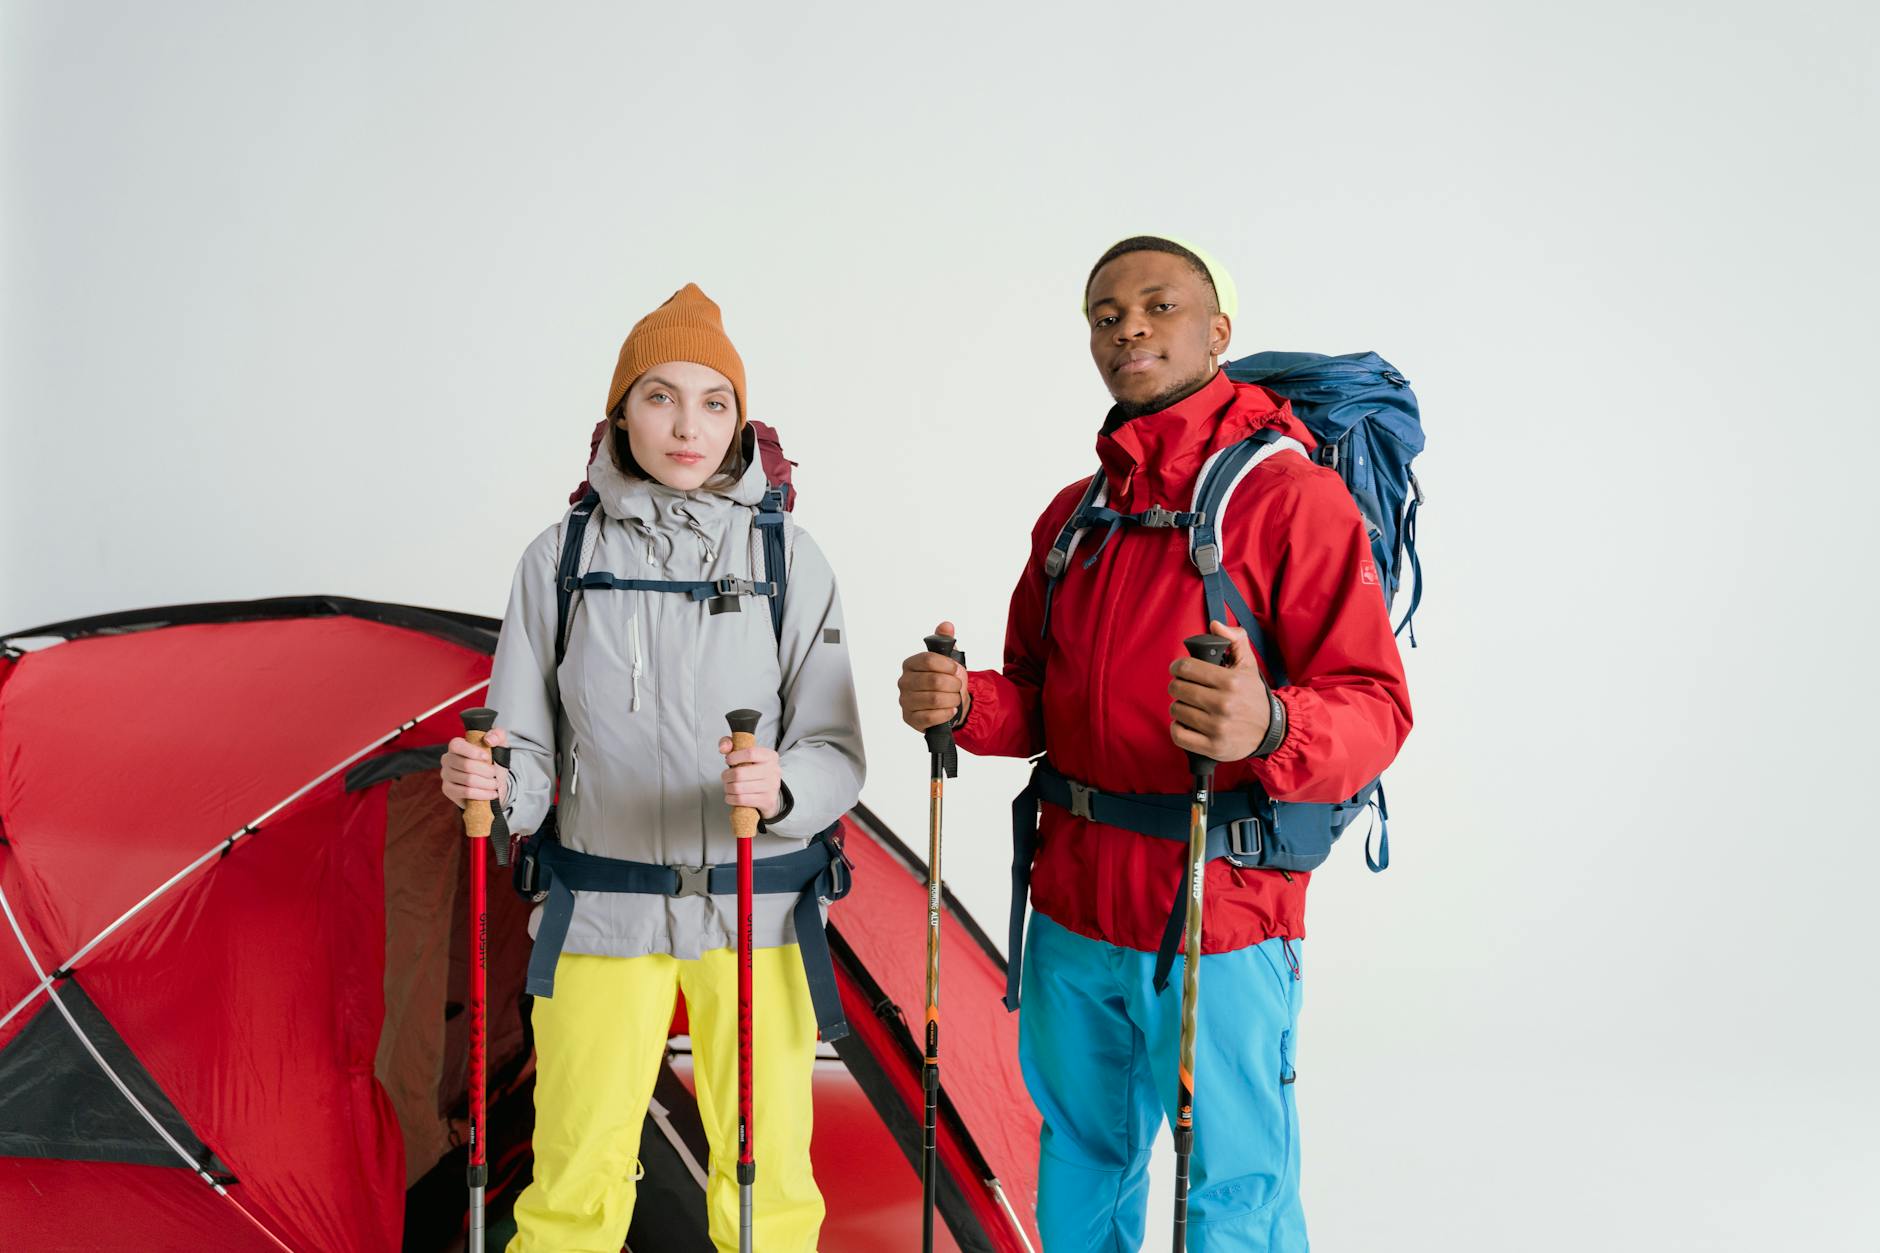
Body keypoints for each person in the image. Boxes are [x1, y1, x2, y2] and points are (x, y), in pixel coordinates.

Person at [897, 237, 1412, 1250]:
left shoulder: (1289, 498)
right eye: (1102, 313)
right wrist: (965, 704)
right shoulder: (1075, 516)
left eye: (1156, 304)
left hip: (1217, 912)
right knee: (1083, 1155)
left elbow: (1374, 705)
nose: (1126, 325)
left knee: (1235, 1185)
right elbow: (1041, 702)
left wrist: (1269, 722)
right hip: (1074, 912)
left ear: (1216, 331)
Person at [443, 283, 865, 1252]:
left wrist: (783, 784)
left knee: (770, 1187)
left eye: (713, 401)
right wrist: (494, 780)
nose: (688, 425)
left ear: (740, 418)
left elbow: (837, 751)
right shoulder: (558, 556)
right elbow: (527, 749)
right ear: (620, 412)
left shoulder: (788, 558)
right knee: (573, 1182)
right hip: (598, 907)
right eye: (660, 397)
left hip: (756, 907)